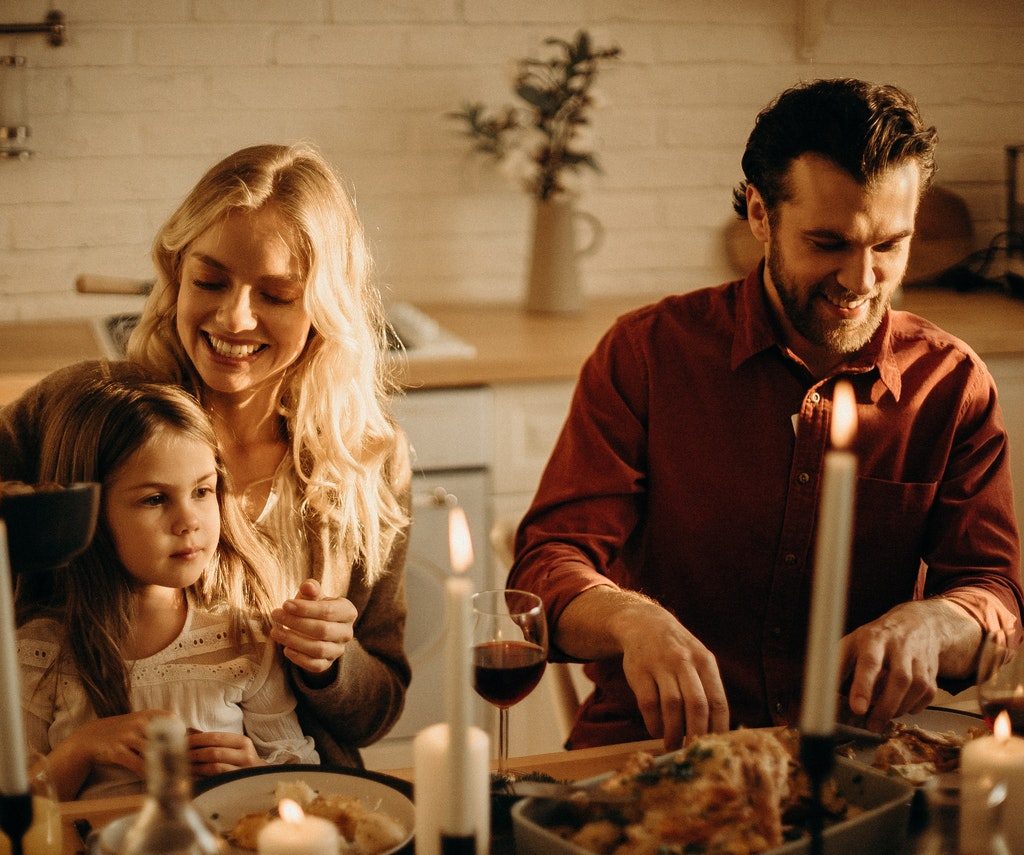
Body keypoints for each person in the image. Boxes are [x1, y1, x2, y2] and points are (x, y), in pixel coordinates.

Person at [507, 78, 1023, 751]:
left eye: (888, 246)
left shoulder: (951, 385)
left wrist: (932, 623)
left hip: (857, 761)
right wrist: (631, 620)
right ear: (759, 214)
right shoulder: (647, 355)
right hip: (658, 753)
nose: (861, 281)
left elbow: (994, 595)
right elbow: (547, 564)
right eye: (828, 243)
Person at [0, 143, 412, 766]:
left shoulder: (363, 461)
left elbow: (376, 714)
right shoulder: (90, 413)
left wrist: (333, 663)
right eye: (210, 282)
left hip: (297, 797)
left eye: (276, 295)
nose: (234, 318)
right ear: (176, 276)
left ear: (325, 308)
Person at [16, 378, 319, 800]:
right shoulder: (38, 654)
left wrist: (254, 774)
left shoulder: (245, 640)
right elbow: (13, 809)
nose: (189, 521)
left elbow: (302, 780)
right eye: (155, 499)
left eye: (202, 491)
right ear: (88, 514)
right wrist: (81, 748)